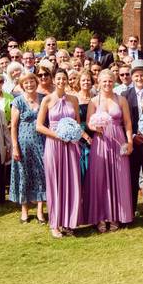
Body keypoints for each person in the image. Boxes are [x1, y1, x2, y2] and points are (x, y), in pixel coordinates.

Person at [36, 70, 83, 238]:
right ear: (54, 81)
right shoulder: (47, 99)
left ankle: (69, 222)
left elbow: (77, 123)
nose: (62, 81)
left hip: (71, 145)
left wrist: (73, 134)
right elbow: (39, 126)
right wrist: (58, 135)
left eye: (64, 78)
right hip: (54, 144)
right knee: (55, 183)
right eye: (59, 78)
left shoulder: (74, 99)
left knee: (71, 182)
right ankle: (55, 223)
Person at [86, 69, 134, 232]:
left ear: (114, 82)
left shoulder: (121, 100)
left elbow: (127, 123)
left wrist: (129, 142)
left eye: (110, 81)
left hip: (118, 140)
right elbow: (88, 123)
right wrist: (95, 127)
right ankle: (100, 216)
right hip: (100, 142)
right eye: (104, 81)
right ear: (99, 82)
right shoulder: (93, 101)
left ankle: (115, 216)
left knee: (118, 176)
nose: (107, 84)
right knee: (100, 178)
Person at [9, 72, 46, 224]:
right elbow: (13, 126)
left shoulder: (43, 99)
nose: (29, 84)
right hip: (23, 144)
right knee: (23, 175)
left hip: (41, 142)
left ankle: (40, 211)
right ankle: (24, 210)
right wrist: (15, 147)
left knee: (41, 175)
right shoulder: (18, 101)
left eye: (32, 81)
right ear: (22, 85)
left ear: (36, 83)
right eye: (26, 82)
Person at [123, 59, 143, 215]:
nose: (139, 78)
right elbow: (123, 120)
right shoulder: (125, 95)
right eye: (136, 76)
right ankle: (132, 207)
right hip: (133, 141)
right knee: (132, 175)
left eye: (142, 75)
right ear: (132, 77)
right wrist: (133, 136)